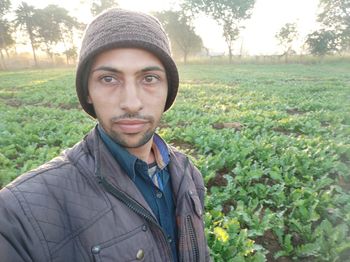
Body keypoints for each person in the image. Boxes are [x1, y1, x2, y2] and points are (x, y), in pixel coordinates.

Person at [0, 8, 210, 262]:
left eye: (150, 78)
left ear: (168, 90)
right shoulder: (18, 212)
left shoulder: (187, 173)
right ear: (87, 91)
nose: (131, 103)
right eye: (109, 79)